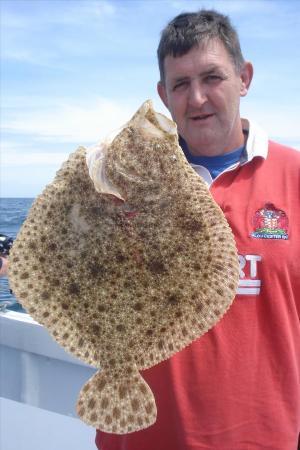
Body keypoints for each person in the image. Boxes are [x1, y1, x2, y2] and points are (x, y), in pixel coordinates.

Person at [96, 10, 300, 450]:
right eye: (181, 85)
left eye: (212, 77)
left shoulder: (296, 176)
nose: (198, 98)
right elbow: (77, 266)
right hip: (138, 435)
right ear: (163, 95)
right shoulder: (120, 182)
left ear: (244, 78)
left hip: (265, 439)